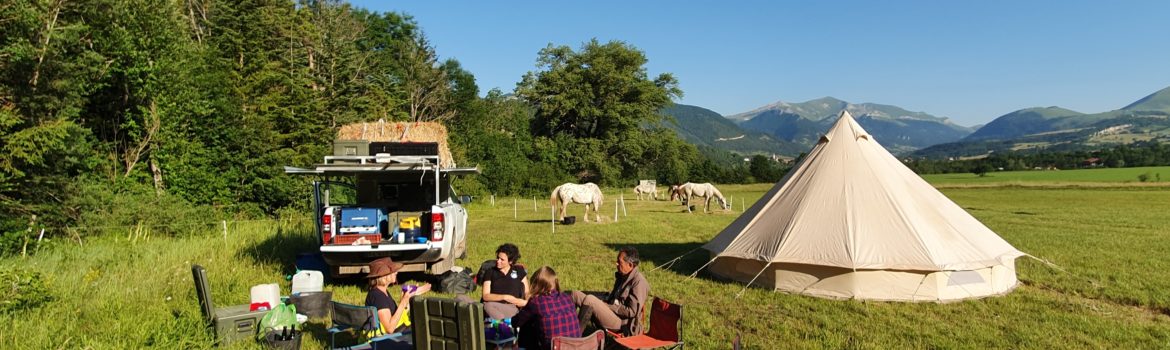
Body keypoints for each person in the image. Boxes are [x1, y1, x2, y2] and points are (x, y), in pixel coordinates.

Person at [571, 246, 649, 336]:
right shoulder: (623, 275)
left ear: (630, 265)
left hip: (622, 323)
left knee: (590, 300)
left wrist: (608, 306)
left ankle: (575, 338)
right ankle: (567, 328)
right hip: (611, 313)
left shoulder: (639, 283)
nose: (616, 264)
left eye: (619, 262)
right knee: (575, 294)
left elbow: (631, 311)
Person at [512, 266, 581, 350]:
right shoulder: (567, 297)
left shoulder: (536, 302)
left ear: (535, 285)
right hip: (577, 345)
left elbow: (516, 322)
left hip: (555, 347)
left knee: (527, 325)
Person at [366, 257, 431, 335]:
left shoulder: (381, 292)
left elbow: (396, 317)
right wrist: (403, 302)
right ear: (384, 276)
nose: (396, 273)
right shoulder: (378, 297)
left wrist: (409, 297)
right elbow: (389, 329)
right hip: (388, 339)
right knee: (427, 328)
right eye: (393, 271)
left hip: (398, 331)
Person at [481, 243, 529, 319]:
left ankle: (503, 325)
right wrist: (505, 297)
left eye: (502, 259)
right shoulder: (490, 272)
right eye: (498, 258)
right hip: (493, 305)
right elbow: (485, 296)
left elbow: (527, 292)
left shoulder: (519, 271)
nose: (498, 261)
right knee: (486, 305)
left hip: (512, 307)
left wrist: (527, 302)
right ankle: (505, 324)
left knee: (487, 306)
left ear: (510, 261)